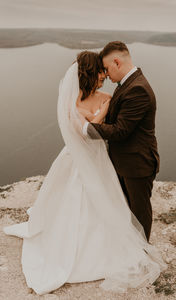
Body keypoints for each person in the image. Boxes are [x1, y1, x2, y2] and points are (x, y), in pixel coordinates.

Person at [3, 51, 166, 295]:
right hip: (79, 160)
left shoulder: (105, 96)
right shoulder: (74, 101)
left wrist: (106, 107)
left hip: (101, 160)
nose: (104, 77)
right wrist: (104, 109)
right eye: (100, 73)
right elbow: (84, 132)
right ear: (90, 74)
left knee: (111, 201)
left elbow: (115, 128)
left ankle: (132, 243)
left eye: (105, 71)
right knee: (77, 201)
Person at [84, 41, 159, 241]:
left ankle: (143, 256)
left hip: (137, 163)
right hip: (124, 162)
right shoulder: (127, 84)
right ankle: (130, 249)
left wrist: (86, 128)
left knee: (139, 212)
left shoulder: (138, 89)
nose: (106, 75)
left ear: (116, 62)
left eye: (107, 69)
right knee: (126, 208)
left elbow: (120, 131)